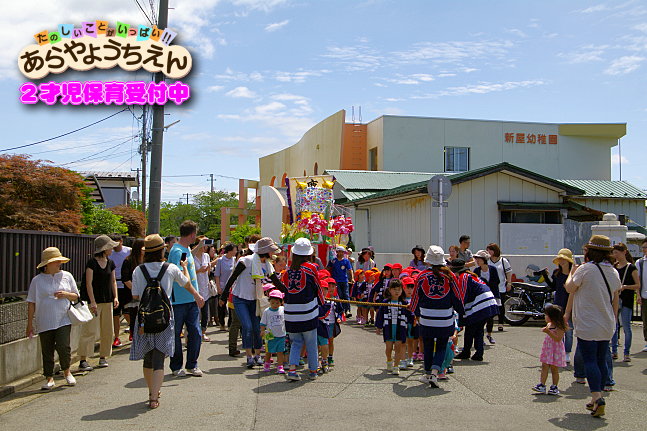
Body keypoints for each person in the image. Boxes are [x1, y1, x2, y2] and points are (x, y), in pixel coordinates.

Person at [129, 234, 203, 409]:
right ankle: (154, 397)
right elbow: (186, 283)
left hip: (144, 318)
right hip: (165, 317)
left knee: (148, 357)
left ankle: (151, 391)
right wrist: (196, 294)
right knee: (159, 357)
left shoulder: (138, 270)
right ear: (162, 250)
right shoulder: (170, 268)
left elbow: (135, 295)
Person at [565, 235, 621, 418]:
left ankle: (597, 396)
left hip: (588, 322)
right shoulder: (613, 272)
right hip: (606, 322)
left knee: (589, 359)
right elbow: (615, 296)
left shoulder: (585, 269)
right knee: (600, 360)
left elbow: (569, 288)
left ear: (591, 251)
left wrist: (571, 273)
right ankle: (597, 396)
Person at [221, 237, 284, 368]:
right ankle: (249, 356)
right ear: (265, 251)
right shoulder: (246, 261)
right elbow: (233, 277)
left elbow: (276, 282)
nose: (272, 254)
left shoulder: (267, 264)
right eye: (271, 251)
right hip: (240, 298)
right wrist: (224, 295)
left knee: (257, 328)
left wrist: (289, 293)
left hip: (255, 299)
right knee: (247, 326)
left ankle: (257, 355)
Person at [409, 246, 465, 388]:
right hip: (445, 317)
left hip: (426, 317)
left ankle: (427, 374)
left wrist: (414, 314)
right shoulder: (450, 276)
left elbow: (415, 298)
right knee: (441, 346)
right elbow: (458, 297)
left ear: (427, 260)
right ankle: (435, 373)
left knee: (427, 346)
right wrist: (462, 314)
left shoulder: (422, 276)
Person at [26, 247, 79, 390]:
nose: (58, 264)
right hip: (44, 320)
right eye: (55, 262)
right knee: (47, 349)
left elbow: (76, 296)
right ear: (47, 264)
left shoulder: (67, 276)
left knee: (63, 346)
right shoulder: (37, 280)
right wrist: (29, 324)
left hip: (63, 318)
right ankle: (49, 377)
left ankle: (67, 372)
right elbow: (31, 302)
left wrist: (66, 294)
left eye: (59, 261)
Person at [276, 238, 325, 381]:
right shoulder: (312, 268)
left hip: (290, 313)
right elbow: (318, 288)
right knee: (311, 342)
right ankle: (313, 371)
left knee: (296, 343)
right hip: (308, 311)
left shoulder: (288, 271)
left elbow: (285, 289)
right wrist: (323, 303)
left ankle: (292, 370)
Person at [167, 220, 206, 377]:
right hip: (179, 301)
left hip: (190, 299)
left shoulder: (186, 248)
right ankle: (176, 366)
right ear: (192, 234)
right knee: (176, 334)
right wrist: (196, 294)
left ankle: (192, 364)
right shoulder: (177, 251)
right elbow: (179, 277)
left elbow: (188, 262)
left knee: (195, 332)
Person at [78, 235, 119, 371]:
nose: (112, 249)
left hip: (108, 300)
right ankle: (83, 359)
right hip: (94, 302)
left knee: (108, 330)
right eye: (110, 247)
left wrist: (115, 297)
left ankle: (103, 356)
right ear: (104, 248)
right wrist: (93, 301)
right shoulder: (92, 263)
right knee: (89, 330)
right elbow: (88, 283)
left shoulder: (111, 263)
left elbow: (113, 281)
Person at [451, 259, 499, 362]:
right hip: (488, 302)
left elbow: (462, 295)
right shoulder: (471, 275)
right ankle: (477, 353)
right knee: (478, 329)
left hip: (481, 304)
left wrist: (459, 311)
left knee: (471, 328)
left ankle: (468, 352)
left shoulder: (463, 277)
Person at [375, 279, 413, 375]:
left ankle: (396, 366)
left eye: (399, 289)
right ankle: (389, 360)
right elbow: (380, 316)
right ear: (389, 290)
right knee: (388, 347)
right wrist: (378, 327)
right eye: (394, 289)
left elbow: (410, 315)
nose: (397, 292)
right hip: (388, 327)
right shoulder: (385, 302)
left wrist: (414, 320)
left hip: (400, 328)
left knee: (398, 347)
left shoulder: (404, 303)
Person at [611, 243, 639, 362]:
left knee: (626, 326)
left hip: (626, 299)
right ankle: (614, 351)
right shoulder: (614, 266)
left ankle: (626, 352)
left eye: (617, 252)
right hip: (615, 298)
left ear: (624, 252)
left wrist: (625, 286)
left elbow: (638, 284)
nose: (615, 255)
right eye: (614, 253)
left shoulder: (631, 267)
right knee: (614, 325)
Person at [532, 305, 567, 396]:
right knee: (544, 366)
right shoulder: (549, 324)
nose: (545, 317)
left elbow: (558, 338)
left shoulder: (559, 326)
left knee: (554, 368)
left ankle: (554, 386)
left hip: (555, 349)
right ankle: (542, 384)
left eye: (546, 315)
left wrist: (548, 332)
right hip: (548, 349)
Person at [473, 250, 501, 345]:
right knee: (482, 317)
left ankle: (489, 334)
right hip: (481, 296)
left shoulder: (492, 269)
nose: (477, 261)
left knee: (490, 316)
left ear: (484, 260)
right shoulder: (476, 271)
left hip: (492, 294)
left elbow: (497, 281)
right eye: (476, 259)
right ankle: (481, 338)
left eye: (479, 259)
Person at [121, 238, 145, 341]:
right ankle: (134, 336)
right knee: (134, 316)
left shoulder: (147, 260)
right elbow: (125, 279)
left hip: (145, 293)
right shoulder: (128, 261)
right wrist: (136, 290)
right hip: (132, 293)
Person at [109, 234, 131, 348]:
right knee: (116, 313)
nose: (115, 245)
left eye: (117, 242)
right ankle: (116, 337)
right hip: (114, 284)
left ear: (121, 241)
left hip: (127, 284)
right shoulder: (109, 253)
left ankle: (132, 329)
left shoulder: (129, 251)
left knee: (127, 310)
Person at [486, 243, 512, 331]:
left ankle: (501, 323)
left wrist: (509, 283)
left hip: (500, 287)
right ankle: (490, 323)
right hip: (489, 288)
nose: (489, 252)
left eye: (490, 250)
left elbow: (508, 273)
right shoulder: (487, 261)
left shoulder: (503, 261)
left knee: (500, 306)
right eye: (488, 250)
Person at [193, 237, 214, 342]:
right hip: (195, 287)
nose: (206, 247)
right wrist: (199, 271)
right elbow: (190, 271)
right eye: (204, 244)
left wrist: (208, 268)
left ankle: (203, 332)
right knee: (196, 312)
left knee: (205, 313)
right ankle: (195, 333)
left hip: (205, 286)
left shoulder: (206, 256)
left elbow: (208, 272)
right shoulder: (192, 257)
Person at [260, 290, 287, 374]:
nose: (275, 305)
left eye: (277, 303)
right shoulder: (267, 311)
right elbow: (263, 322)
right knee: (268, 351)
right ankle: (267, 364)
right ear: (269, 302)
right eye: (272, 303)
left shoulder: (283, 309)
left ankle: (280, 366)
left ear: (281, 302)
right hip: (270, 335)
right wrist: (262, 331)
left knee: (280, 351)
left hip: (281, 334)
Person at [327, 245, 355, 318]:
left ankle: (347, 310)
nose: (341, 253)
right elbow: (328, 268)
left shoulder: (346, 261)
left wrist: (352, 278)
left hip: (344, 280)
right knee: (339, 295)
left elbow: (350, 270)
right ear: (337, 252)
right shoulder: (333, 260)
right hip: (335, 281)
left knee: (346, 295)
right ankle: (341, 310)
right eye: (339, 252)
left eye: (342, 252)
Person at [215, 243, 238, 332]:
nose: (235, 251)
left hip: (232, 286)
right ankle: (221, 323)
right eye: (234, 250)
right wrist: (218, 287)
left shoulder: (234, 260)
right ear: (230, 251)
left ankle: (230, 323)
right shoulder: (221, 260)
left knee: (231, 305)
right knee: (222, 306)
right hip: (222, 285)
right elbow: (217, 275)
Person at [638, 238, 647, 352]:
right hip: (645, 295)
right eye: (643, 248)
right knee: (645, 320)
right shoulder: (640, 262)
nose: (644, 250)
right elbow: (638, 280)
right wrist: (638, 295)